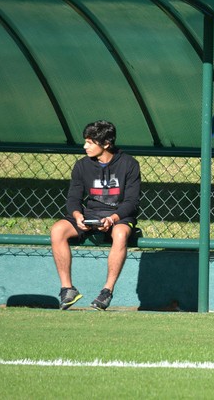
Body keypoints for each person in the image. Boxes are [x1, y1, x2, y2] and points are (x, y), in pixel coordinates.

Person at [51, 120, 141, 311]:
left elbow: (131, 203)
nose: (85, 147)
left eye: (90, 143)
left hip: (119, 217)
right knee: (57, 230)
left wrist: (112, 219)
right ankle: (68, 289)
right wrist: (77, 216)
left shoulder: (129, 164)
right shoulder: (82, 166)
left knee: (119, 234)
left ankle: (106, 292)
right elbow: (73, 199)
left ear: (106, 144)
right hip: (89, 214)